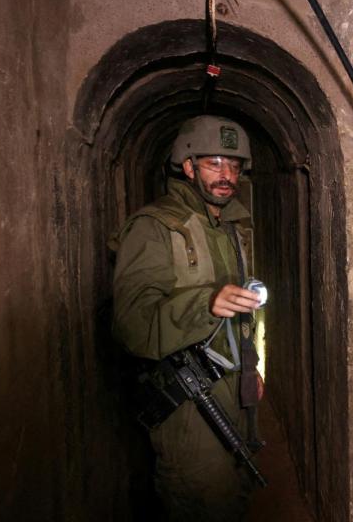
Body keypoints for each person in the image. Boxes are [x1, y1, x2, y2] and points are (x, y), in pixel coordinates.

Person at [110, 115, 263, 521]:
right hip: (190, 400)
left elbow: (242, 317)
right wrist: (204, 303)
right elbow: (131, 325)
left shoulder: (232, 225)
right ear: (189, 166)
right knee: (202, 499)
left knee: (236, 489)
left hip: (235, 386)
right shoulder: (155, 227)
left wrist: (250, 369)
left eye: (234, 166)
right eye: (215, 163)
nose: (227, 175)